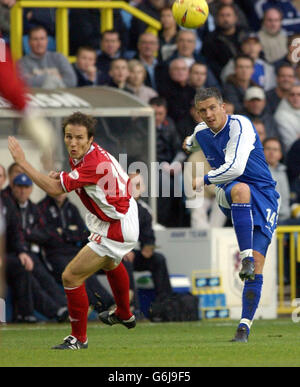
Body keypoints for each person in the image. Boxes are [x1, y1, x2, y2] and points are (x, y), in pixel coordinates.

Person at [8, 111, 139, 350]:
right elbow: (81, 181)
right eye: (69, 136)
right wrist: (64, 176)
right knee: (110, 263)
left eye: (79, 138)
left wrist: (23, 162)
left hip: (116, 225)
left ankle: (79, 338)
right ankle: (123, 313)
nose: (73, 142)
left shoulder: (92, 162)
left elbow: (55, 190)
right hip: (121, 215)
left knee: (70, 276)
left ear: (91, 139)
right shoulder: (88, 155)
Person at [183, 87, 280, 343]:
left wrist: (202, 179)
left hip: (265, 195)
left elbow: (236, 166)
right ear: (198, 113)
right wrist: (188, 143)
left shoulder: (241, 125)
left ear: (223, 106)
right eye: (203, 110)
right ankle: (244, 257)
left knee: (258, 265)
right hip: (233, 191)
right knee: (240, 188)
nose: (209, 114)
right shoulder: (201, 131)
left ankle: (244, 327)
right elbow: (191, 140)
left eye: (213, 108)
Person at [37, 193, 115, 313]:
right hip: (54, 254)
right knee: (74, 274)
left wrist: (63, 233)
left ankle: (109, 305)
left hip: (73, 251)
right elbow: (47, 235)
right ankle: (86, 305)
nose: (59, 192)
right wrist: (70, 233)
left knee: (89, 273)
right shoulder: (41, 208)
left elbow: (83, 233)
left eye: (62, 189)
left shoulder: (71, 207)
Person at [11, 173, 69, 322]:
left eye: (26, 187)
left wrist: (28, 233)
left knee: (46, 278)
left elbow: (46, 232)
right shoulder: (9, 206)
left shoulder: (33, 209)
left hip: (31, 253)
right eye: (19, 187)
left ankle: (65, 308)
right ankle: (55, 310)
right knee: (30, 277)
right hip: (14, 253)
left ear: (30, 189)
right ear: (13, 188)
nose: (22, 191)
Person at [123, 172, 172, 302]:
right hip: (115, 254)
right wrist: (123, 250)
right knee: (126, 261)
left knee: (159, 260)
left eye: (139, 185)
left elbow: (148, 237)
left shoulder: (144, 211)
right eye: (133, 185)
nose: (136, 189)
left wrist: (148, 249)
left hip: (133, 254)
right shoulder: (116, 207)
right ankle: (133, 307)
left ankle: (165, 303)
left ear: (143, 188)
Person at [263, 138, 291, 223]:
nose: (271, 152)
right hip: (267, 219)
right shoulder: (258, 171)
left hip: (285, 217)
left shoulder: (284, 171)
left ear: (280, 154)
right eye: (268, 149)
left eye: (275, 149)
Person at [274, 84, 300, 154]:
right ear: (287, 97)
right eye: (292, 95)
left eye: (299, 95)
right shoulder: (280, 115)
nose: (296, 97)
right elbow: (292, 142)